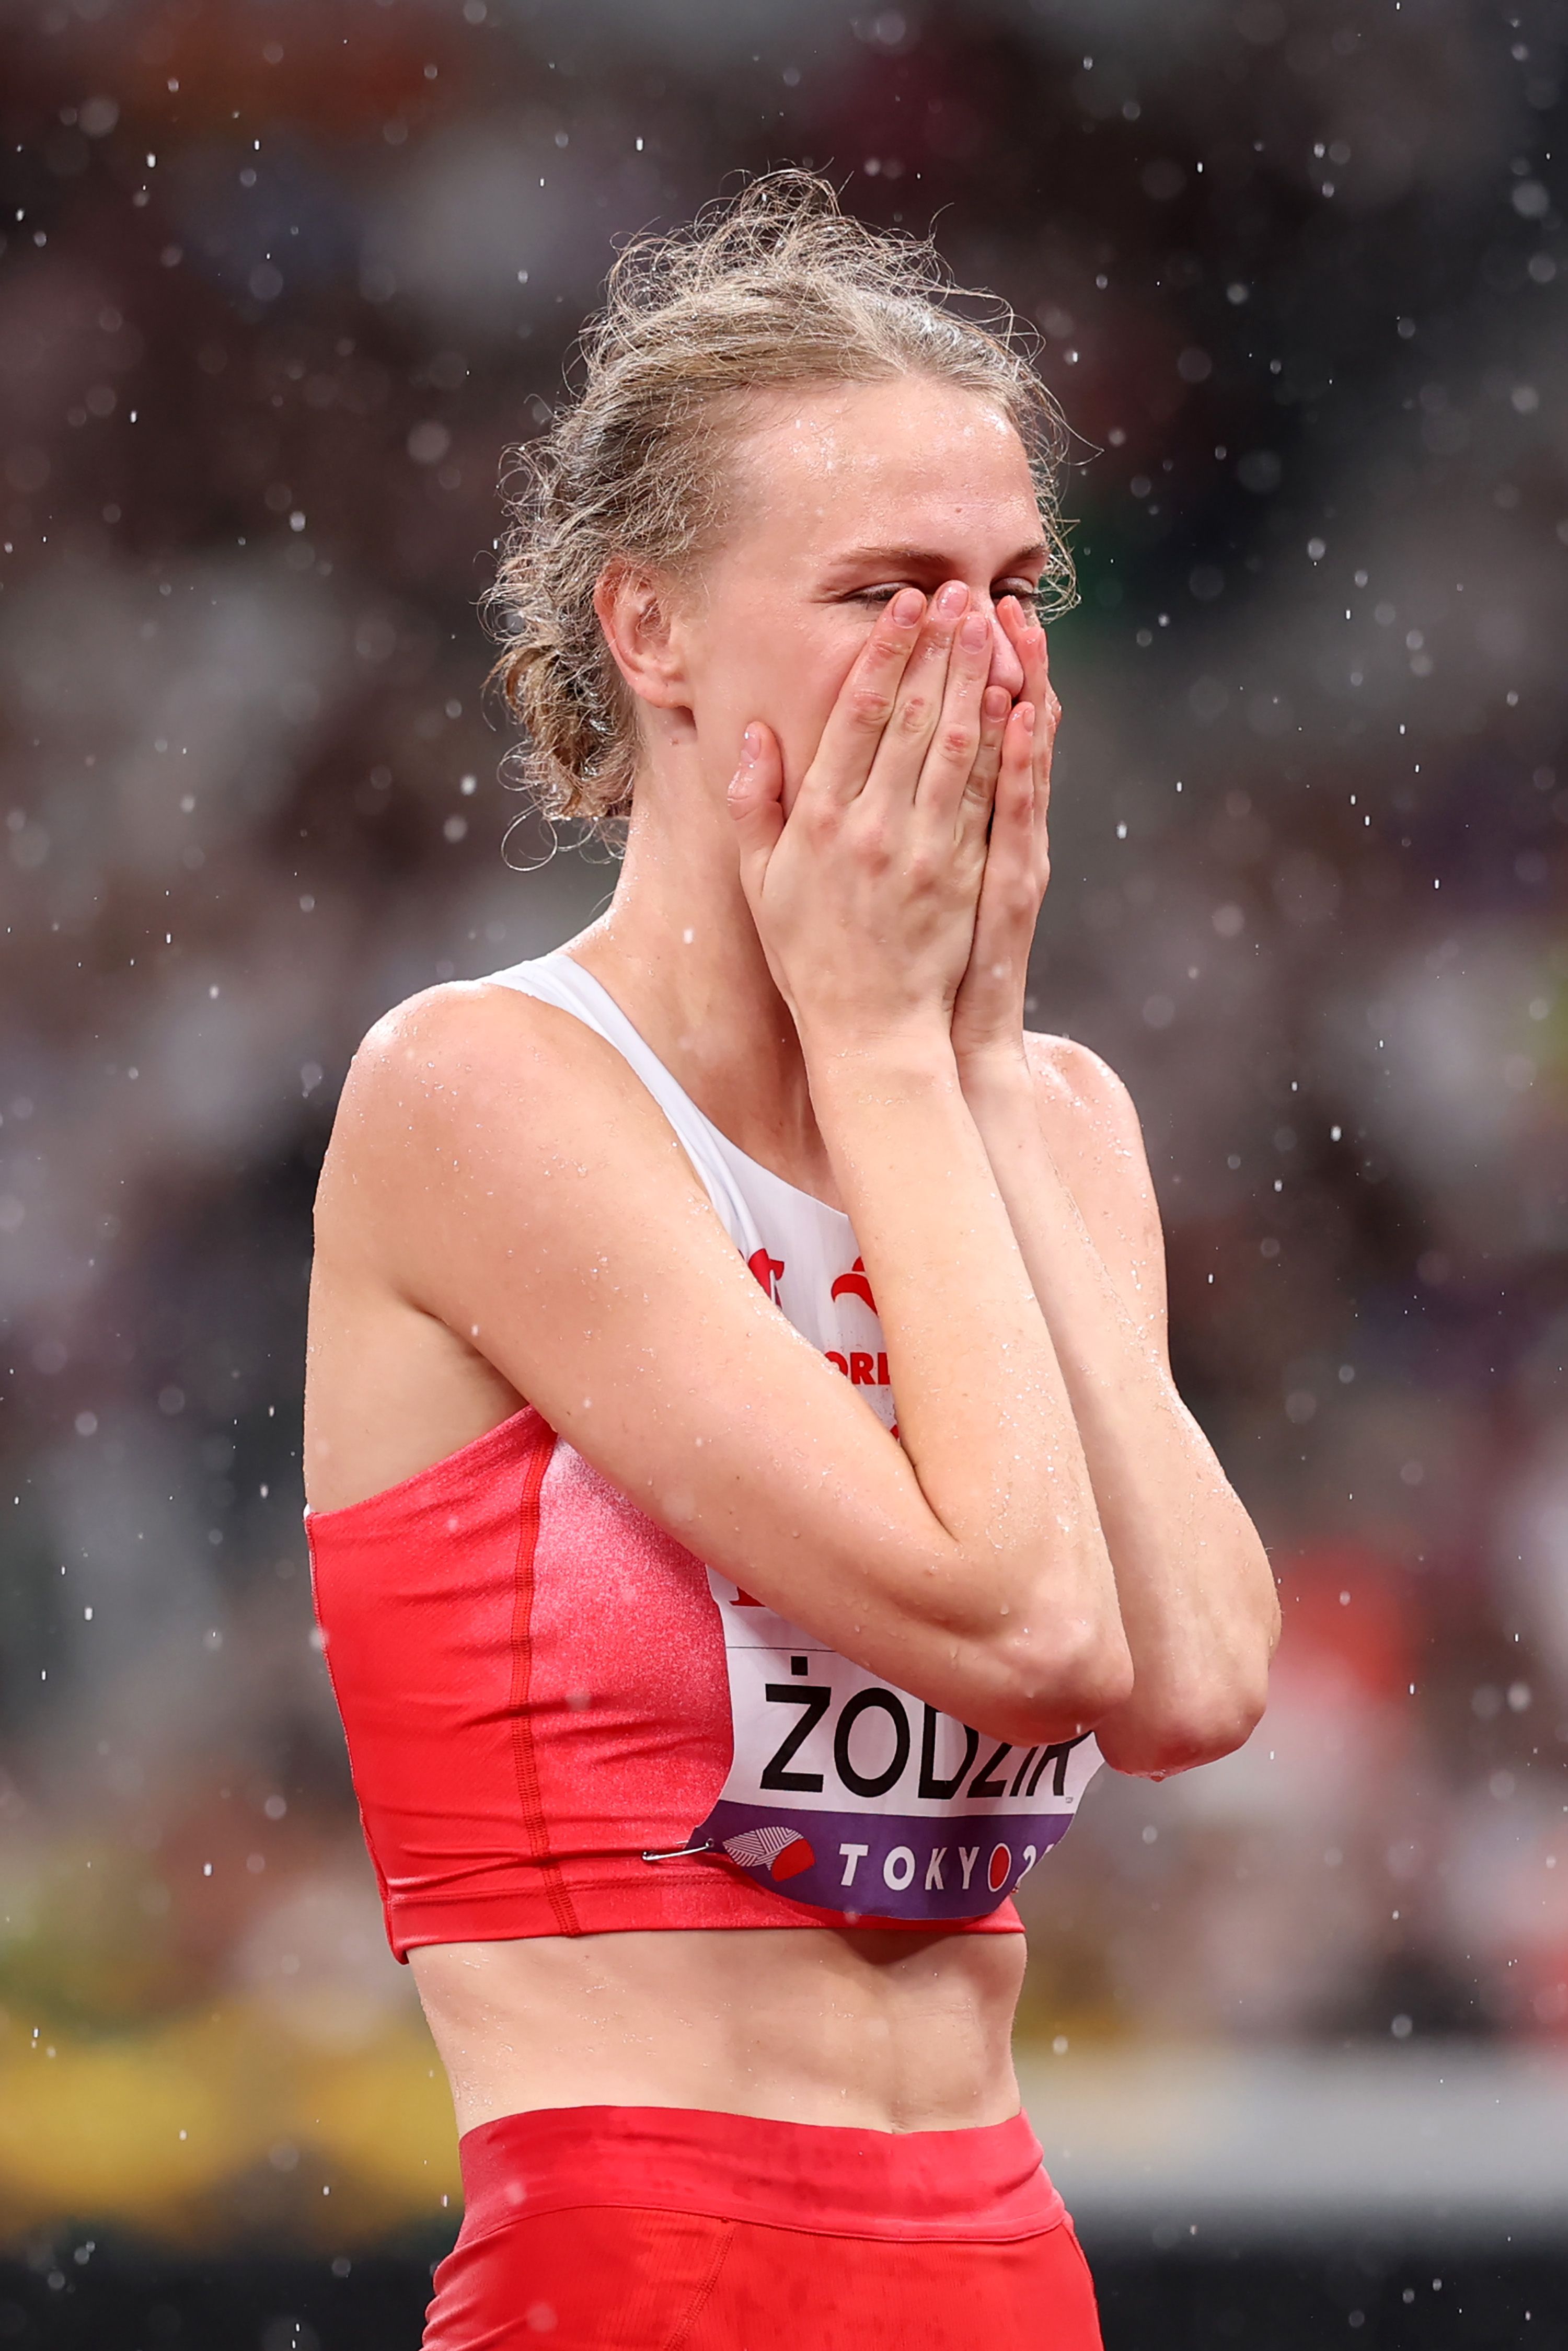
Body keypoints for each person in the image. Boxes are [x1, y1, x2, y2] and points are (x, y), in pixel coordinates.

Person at [303, 174, 1278, 2350]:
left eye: (1018, 587)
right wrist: (874, 1038)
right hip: (649, 2258)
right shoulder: (486, 1096)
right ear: (646, 631)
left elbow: (1198, 1676)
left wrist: (975, 1060)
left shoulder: (1052, 1116)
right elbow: (1026, 1624)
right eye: (885, 589)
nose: (985, 664)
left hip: (1007, 2253)